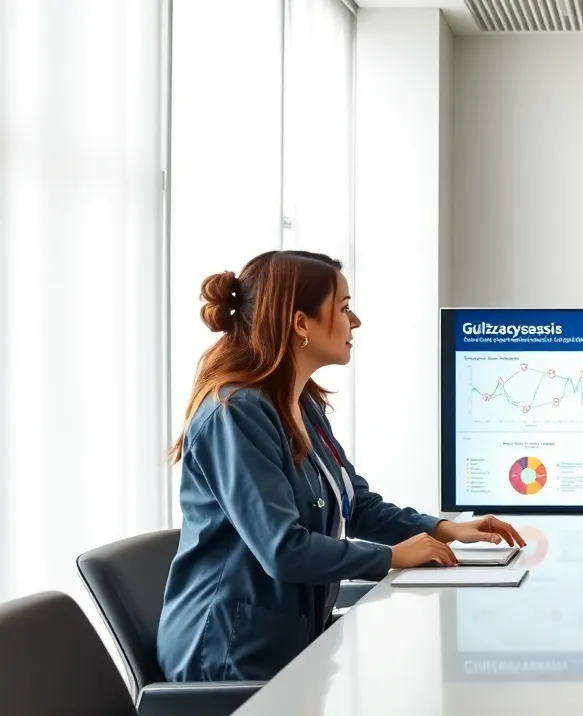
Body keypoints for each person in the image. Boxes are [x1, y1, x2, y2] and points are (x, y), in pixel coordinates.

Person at [157, 250, 525, 683]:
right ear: (301, 323)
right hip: (227, 654)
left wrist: (445, 529)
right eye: (345, 308)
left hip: (287, 639)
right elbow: (283, 549)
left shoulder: (301, 403)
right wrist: (391, 556)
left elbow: (356, 505)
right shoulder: (236, 413)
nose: (356, 322)